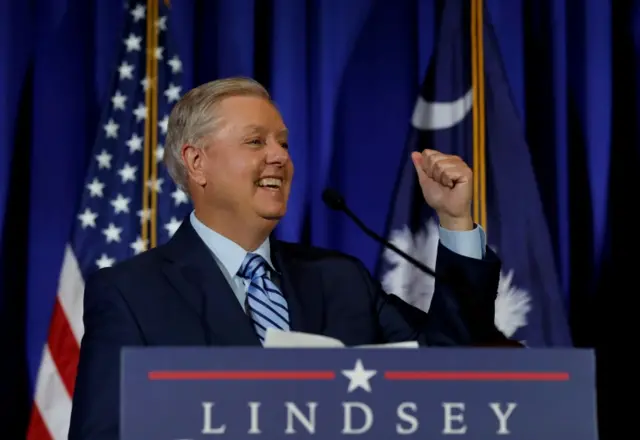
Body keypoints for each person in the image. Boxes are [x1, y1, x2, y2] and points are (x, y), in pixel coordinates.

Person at [68, 77, 510, 439]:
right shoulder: (130, 293)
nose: (280, 156)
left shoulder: (340, 280)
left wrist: (455, 220)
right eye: (255, 141)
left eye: (282, 143)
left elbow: (453, 369)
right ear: (197, 163)